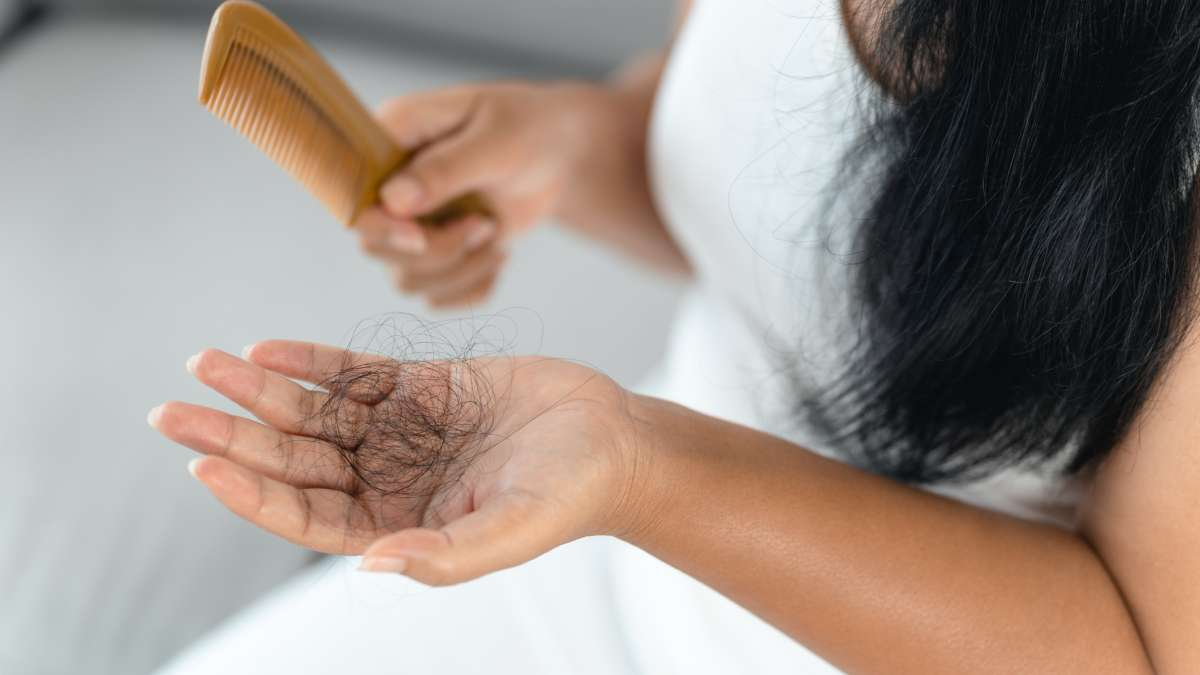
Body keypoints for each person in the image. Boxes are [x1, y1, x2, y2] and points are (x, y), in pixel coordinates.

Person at [148, 0, 1200, 672]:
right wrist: (565, 143)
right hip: (599, 542)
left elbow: (1139, 651)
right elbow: (770, 202)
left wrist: (647, 468)